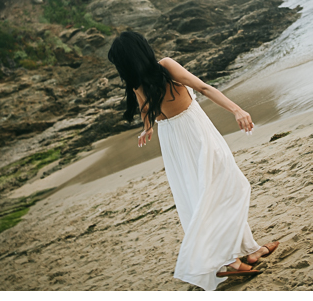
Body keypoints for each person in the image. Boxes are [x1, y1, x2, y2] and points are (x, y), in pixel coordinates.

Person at [108, 30, 278, 291]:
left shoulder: (136, 83)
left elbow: (146, 111)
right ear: (142, 49)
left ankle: (249, 250)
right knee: (229, 188)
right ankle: (229, 262)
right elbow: (203, 87)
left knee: (199, 196)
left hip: (172, 141)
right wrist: (237, 109)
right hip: (195, 133)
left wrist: (147, 128)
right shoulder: (164, 66)